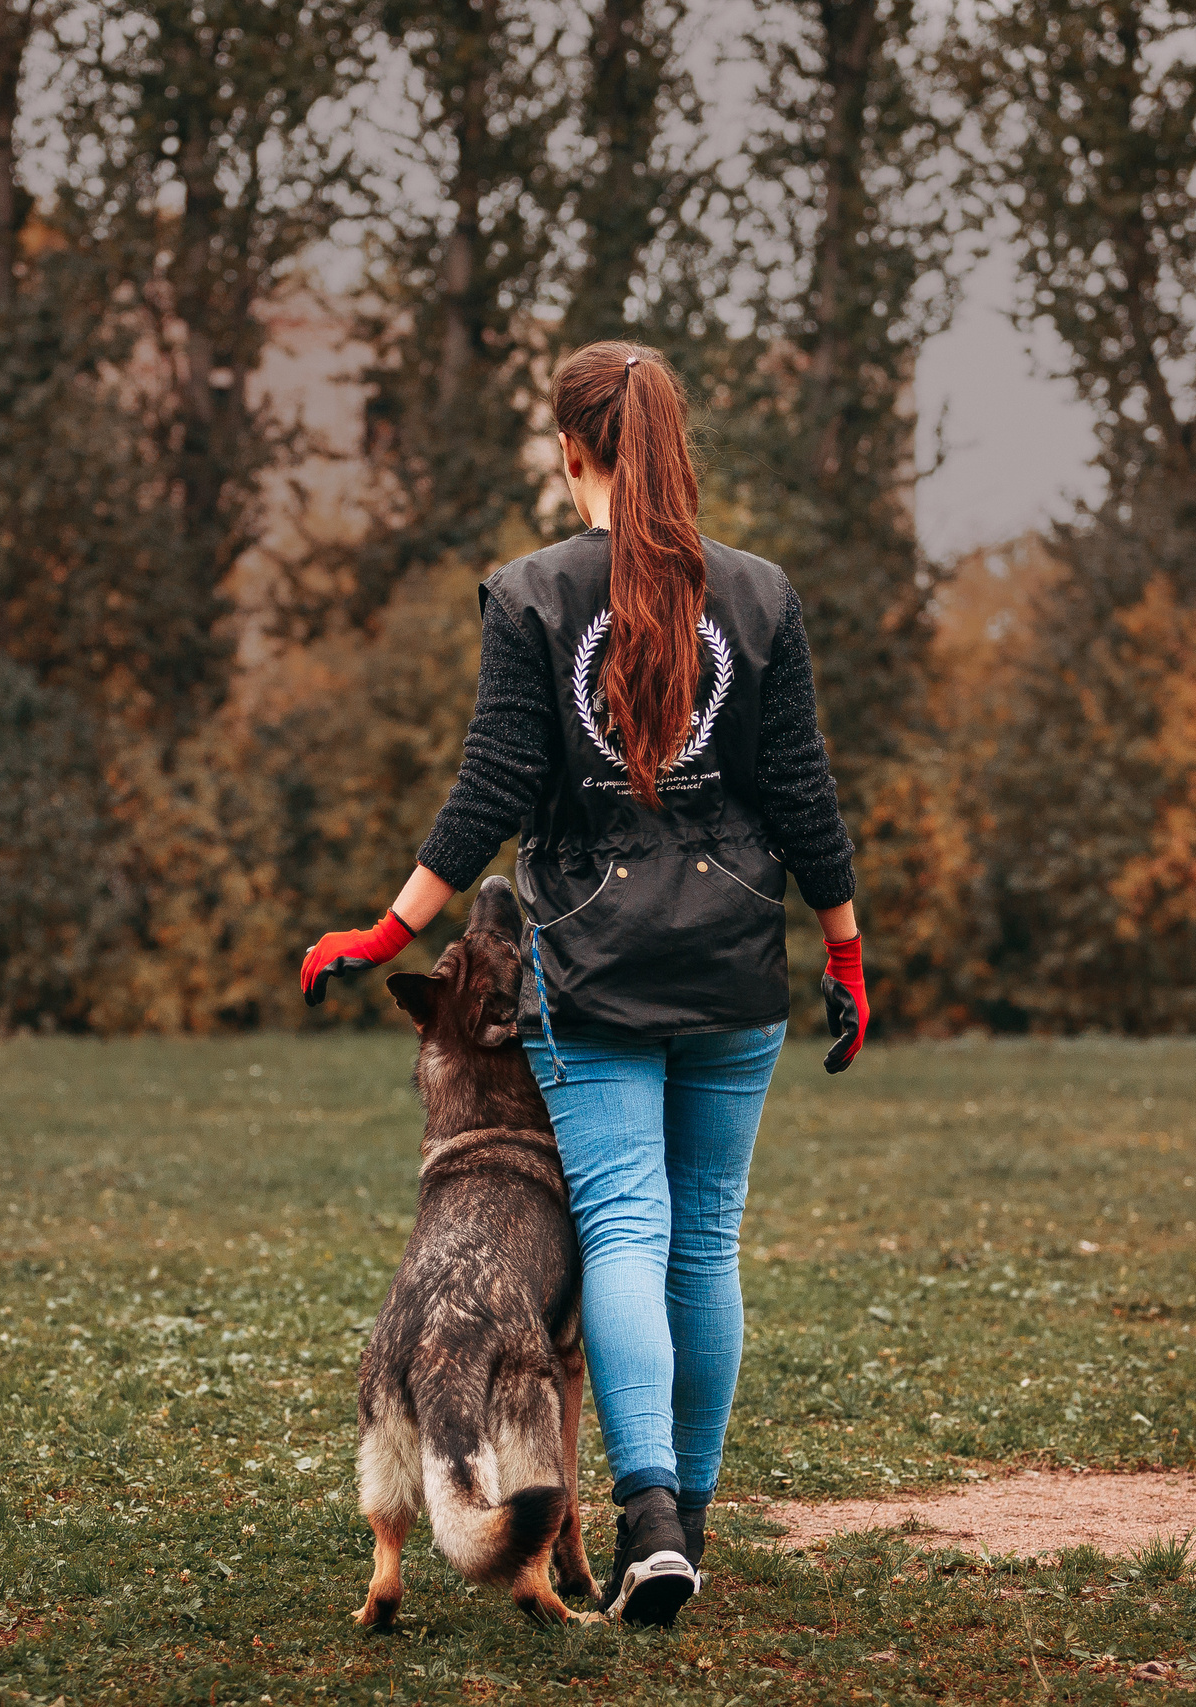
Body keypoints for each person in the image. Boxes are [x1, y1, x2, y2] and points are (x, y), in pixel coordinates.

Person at [298, 340, 869, 1627]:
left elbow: (490, 791)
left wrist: (386, 938)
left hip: (593, 967)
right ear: (670, 442)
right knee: (705, 1237)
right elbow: (804, 801)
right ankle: (687, 1531)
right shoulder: (762, 596)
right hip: (732, 965)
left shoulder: (531, 595)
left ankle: (647, 1512)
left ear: (573, 451)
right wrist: (841, 949)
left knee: (623, 1228)